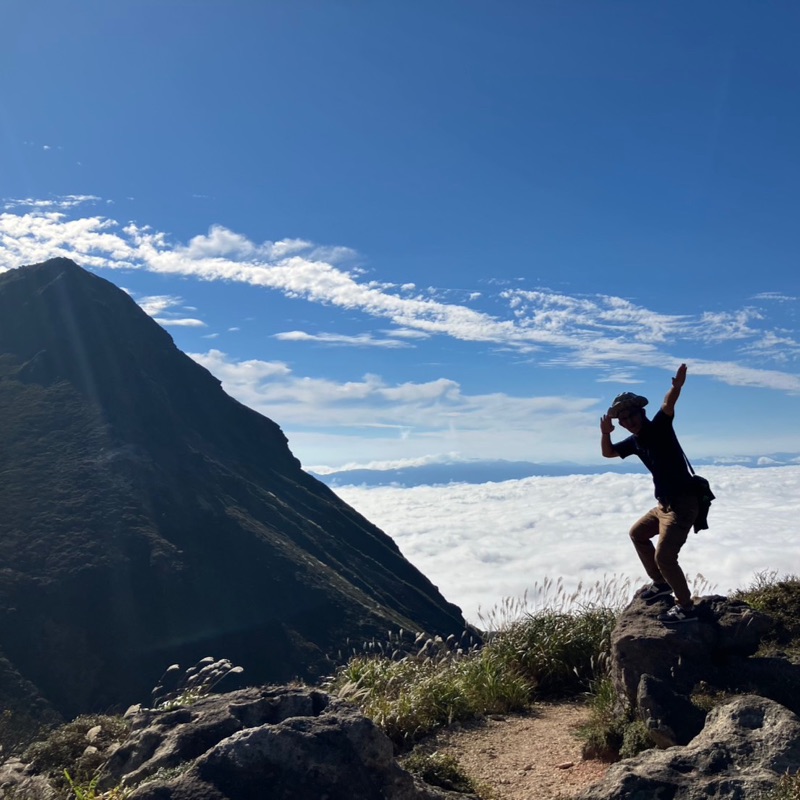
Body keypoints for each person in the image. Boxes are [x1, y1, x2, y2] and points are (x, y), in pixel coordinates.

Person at [600, 363, 700, 624]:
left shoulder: (659, 427)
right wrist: (605, 435)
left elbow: (668, 405)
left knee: (665, 557)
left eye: (631, 416)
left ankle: (686, 608)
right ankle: (660, 583)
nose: (628, 423)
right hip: (663, 505)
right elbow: (608, 453)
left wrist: (676, 387)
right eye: (623, 420)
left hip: (683, 504)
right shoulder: (634, 442)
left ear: (641, 412)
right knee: (638, 534)